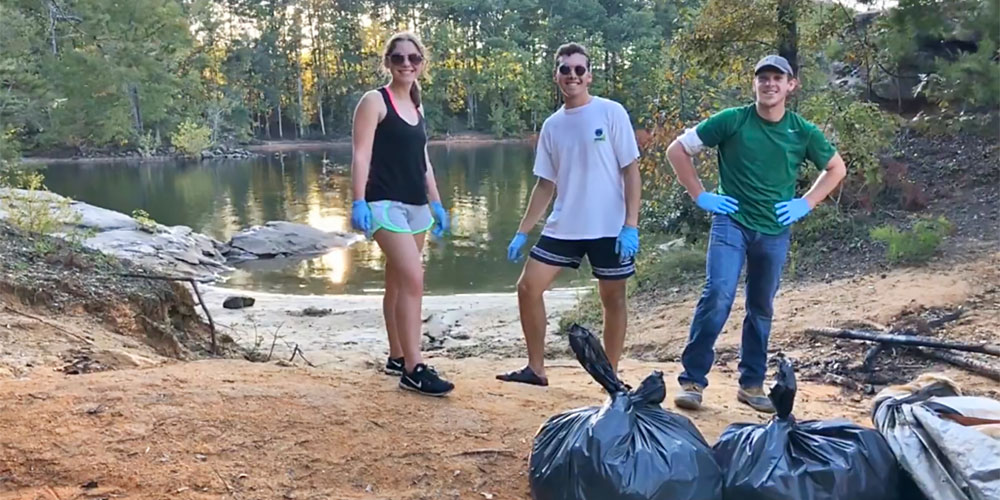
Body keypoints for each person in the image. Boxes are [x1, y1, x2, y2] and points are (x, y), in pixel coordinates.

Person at [666, 55, 847, 412]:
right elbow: (678, 150)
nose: (769, 84)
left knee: (761, 306)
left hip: (775, 230)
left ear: (790, 85)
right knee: (717, 294)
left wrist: (806, 203)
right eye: (762, 78)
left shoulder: (802, 132)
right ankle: (692, 381)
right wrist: (700, 195)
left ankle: (751, 384)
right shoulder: (733, 121)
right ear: (755, 84)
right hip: (731, 223)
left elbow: (835, 168)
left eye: (777, 78)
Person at [497, 42, 642, 387]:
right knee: (528, 287)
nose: (572, 75)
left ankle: (611, 376)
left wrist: (630, 225)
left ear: (589, 75)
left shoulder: (611, 112)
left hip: (609, 226)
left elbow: (631, 171)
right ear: (557, 76)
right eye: (565, 69)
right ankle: (535, 369)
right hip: (565, 226)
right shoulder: (552, 126)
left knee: (613, 298)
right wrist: (522, 231)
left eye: (579, 69)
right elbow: (545, 185)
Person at [350, 31, 454, 397]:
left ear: (422, 63)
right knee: (413, 278)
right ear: (388, 62)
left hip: (415, 206)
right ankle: (414, 367)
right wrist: (358, 200)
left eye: (413, 58)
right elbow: (361, 154)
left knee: (397, 279)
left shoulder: (416, 105)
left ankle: (397, 355)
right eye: (399, 58)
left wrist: (437, 203)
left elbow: (423, 160)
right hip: (383, 203)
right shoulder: (374, 102)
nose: (407, 64)